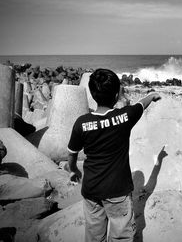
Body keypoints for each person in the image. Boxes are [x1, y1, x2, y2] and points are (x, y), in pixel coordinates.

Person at [67, 68, 161, 242]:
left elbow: (72, 154)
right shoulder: (126, 116)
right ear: (117, 94)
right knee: (121, 236)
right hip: (118, 191)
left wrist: (73, 170)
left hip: (91, 189)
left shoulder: (82, 123)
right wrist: (152, 95)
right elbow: (141, 104)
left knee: (94, 235)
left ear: (92, 93)